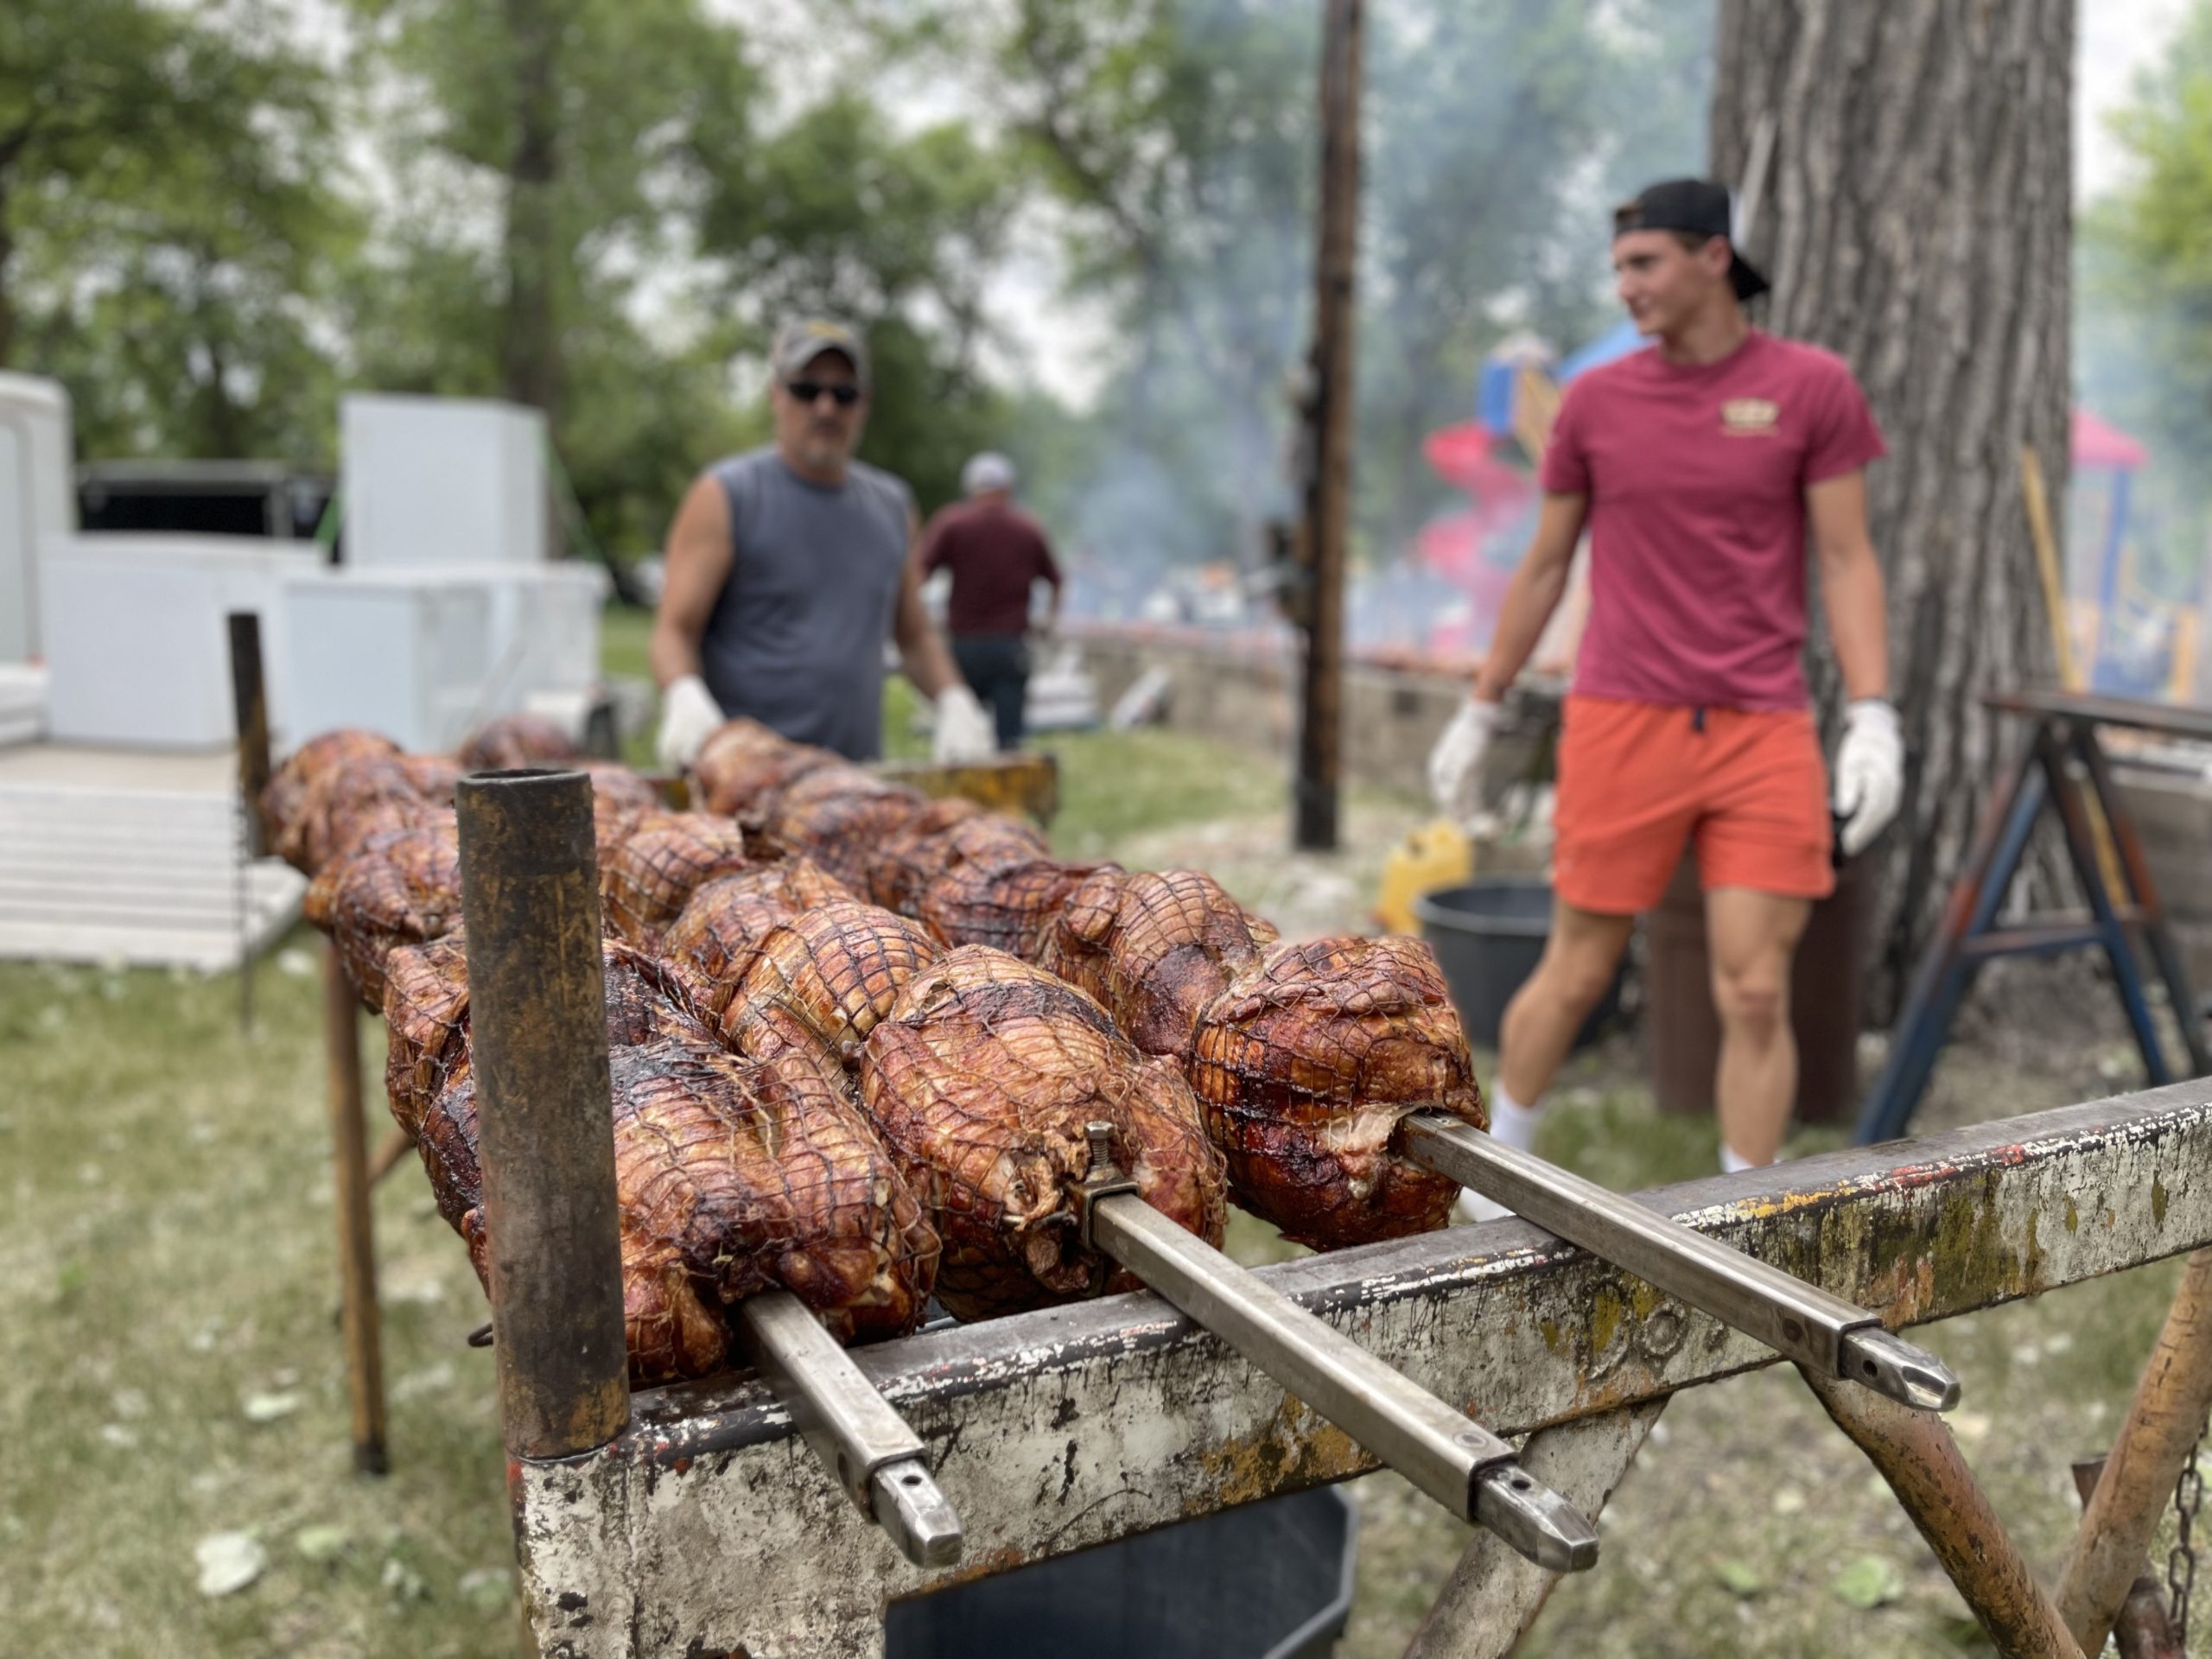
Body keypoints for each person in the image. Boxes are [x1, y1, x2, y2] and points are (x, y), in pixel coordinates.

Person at [1427, 178, 1904, 1202]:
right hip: (1619, 719)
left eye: (1643, 265)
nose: (1627, 287)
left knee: (1755, 986)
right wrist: (1482, 703)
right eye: (1619, 270)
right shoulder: (1596, 402)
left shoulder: (1811, 387)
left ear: (1712, 258)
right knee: (1575, 969)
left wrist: (1873, 714)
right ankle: (1490, 1172)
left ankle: (1746, 1207)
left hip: (1761, 727)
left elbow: (1848, 559)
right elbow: (1546, 564)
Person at [651, 317, 995, 770]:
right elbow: (674, 630)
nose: (826, 408)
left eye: (844, 393)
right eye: (806, 390)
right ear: (777, 395)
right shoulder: (726, 495)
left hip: (852, 788)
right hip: (745, 789)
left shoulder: (892, 505)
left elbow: (914, 637)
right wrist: (684, 694)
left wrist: (954, 699)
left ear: (864, 404)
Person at [916, 452, 1064, 751]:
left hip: (964, 646)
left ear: (971, 488)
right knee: (1010, 741)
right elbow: (1056, 581)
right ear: (1008, 488)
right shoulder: (1028, 528)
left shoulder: (952, 524)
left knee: (963, 733)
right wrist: (1047, 622)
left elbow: (918, 574)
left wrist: (918, 623)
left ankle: (962, 795)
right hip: (1010, 647)